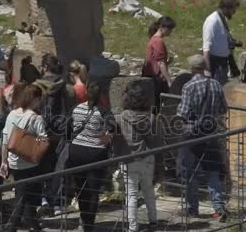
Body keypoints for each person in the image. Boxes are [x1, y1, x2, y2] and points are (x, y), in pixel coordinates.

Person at [176, 55, 229, 220]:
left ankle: (192, 208)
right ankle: (219, 207)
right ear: (205, 66)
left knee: (189, 171)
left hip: (192, 134)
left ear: (191, 69)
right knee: (212, 170)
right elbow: (222, 109)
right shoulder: (216, 84)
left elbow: (182, 112)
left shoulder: (189, 86)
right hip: (211, 132)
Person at [66, 82, 115, 232]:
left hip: (76, 152)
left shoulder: (76, 108)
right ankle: (89, 224)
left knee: (80, 188)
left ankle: (83, 218)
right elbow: (112, 127)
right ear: (101, 95)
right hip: (96, 154)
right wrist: (105, 141)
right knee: (93, 191)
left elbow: (67, 129)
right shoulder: (104, 112)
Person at [0, 84, 48, 232]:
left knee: (23, 194)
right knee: (25, 197)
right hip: (31, 163)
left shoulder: (12, 114)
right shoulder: (37, 118)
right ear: (35, 99)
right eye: (39, 99)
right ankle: (12, 226)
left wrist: (4, 161)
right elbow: (44, 141)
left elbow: (5, 140)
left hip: (14, 163)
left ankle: (33, 225)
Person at [115, 82, 161, 232]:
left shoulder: (121, 117)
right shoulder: (152, 117)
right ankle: (153, 221)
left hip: (129, 158)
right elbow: (157, 140)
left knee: (131, 194)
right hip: (148, 157)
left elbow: (117, 139)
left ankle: (132, 227)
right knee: (149, 190)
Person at [34, 54, 76, 216]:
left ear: (44, 68)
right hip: (61, 131)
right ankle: (58, 202)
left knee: (41, 165)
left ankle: (43, 198)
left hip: (41, 130)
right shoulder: (67, 88)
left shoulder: (36, 87)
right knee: (60, 167)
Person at [202, 0, 242, 85]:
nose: (234, 12)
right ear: (226, 8)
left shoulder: (222, 19)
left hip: (222, 63)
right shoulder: (212, 21)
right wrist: (207, 70)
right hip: (215, 64)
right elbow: (206, 47)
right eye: (233, 9)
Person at [142, 16, 176, 112]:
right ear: (162, 27)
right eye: (169, 29)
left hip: (151, 75)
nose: (170, 31)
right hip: (156, 78)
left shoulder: (153, 39)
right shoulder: (158, 41)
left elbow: (156, 61)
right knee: (158, 106)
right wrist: (169, 80)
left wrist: (167, 62)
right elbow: (160, 63)